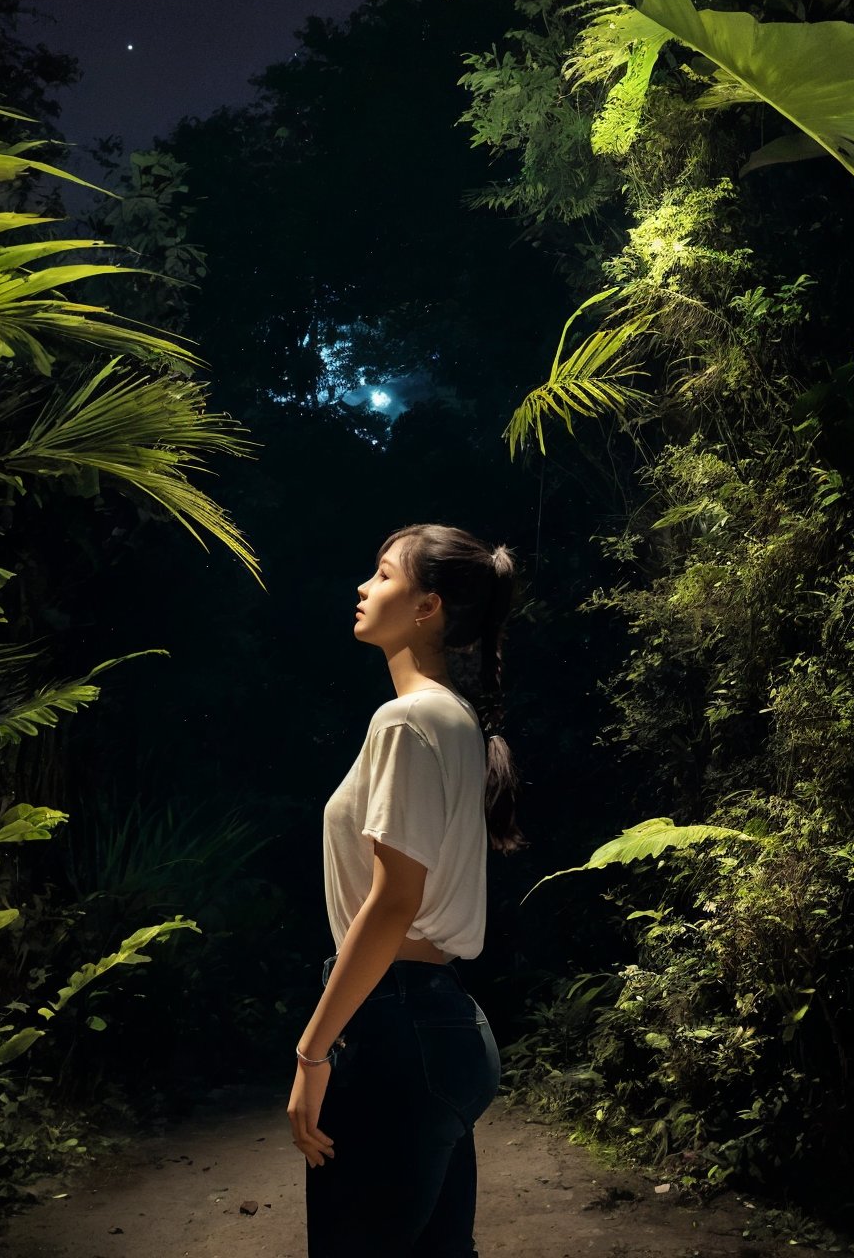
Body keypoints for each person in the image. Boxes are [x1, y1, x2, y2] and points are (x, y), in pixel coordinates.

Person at [287, 523, 523, 1258]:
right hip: (444, 1026)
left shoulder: (407, 719)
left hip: (396, 1032)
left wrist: (311, 1055)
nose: (364, 587)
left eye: (383, 575)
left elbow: (393, 902)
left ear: (428, 608)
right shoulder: (455, 719)